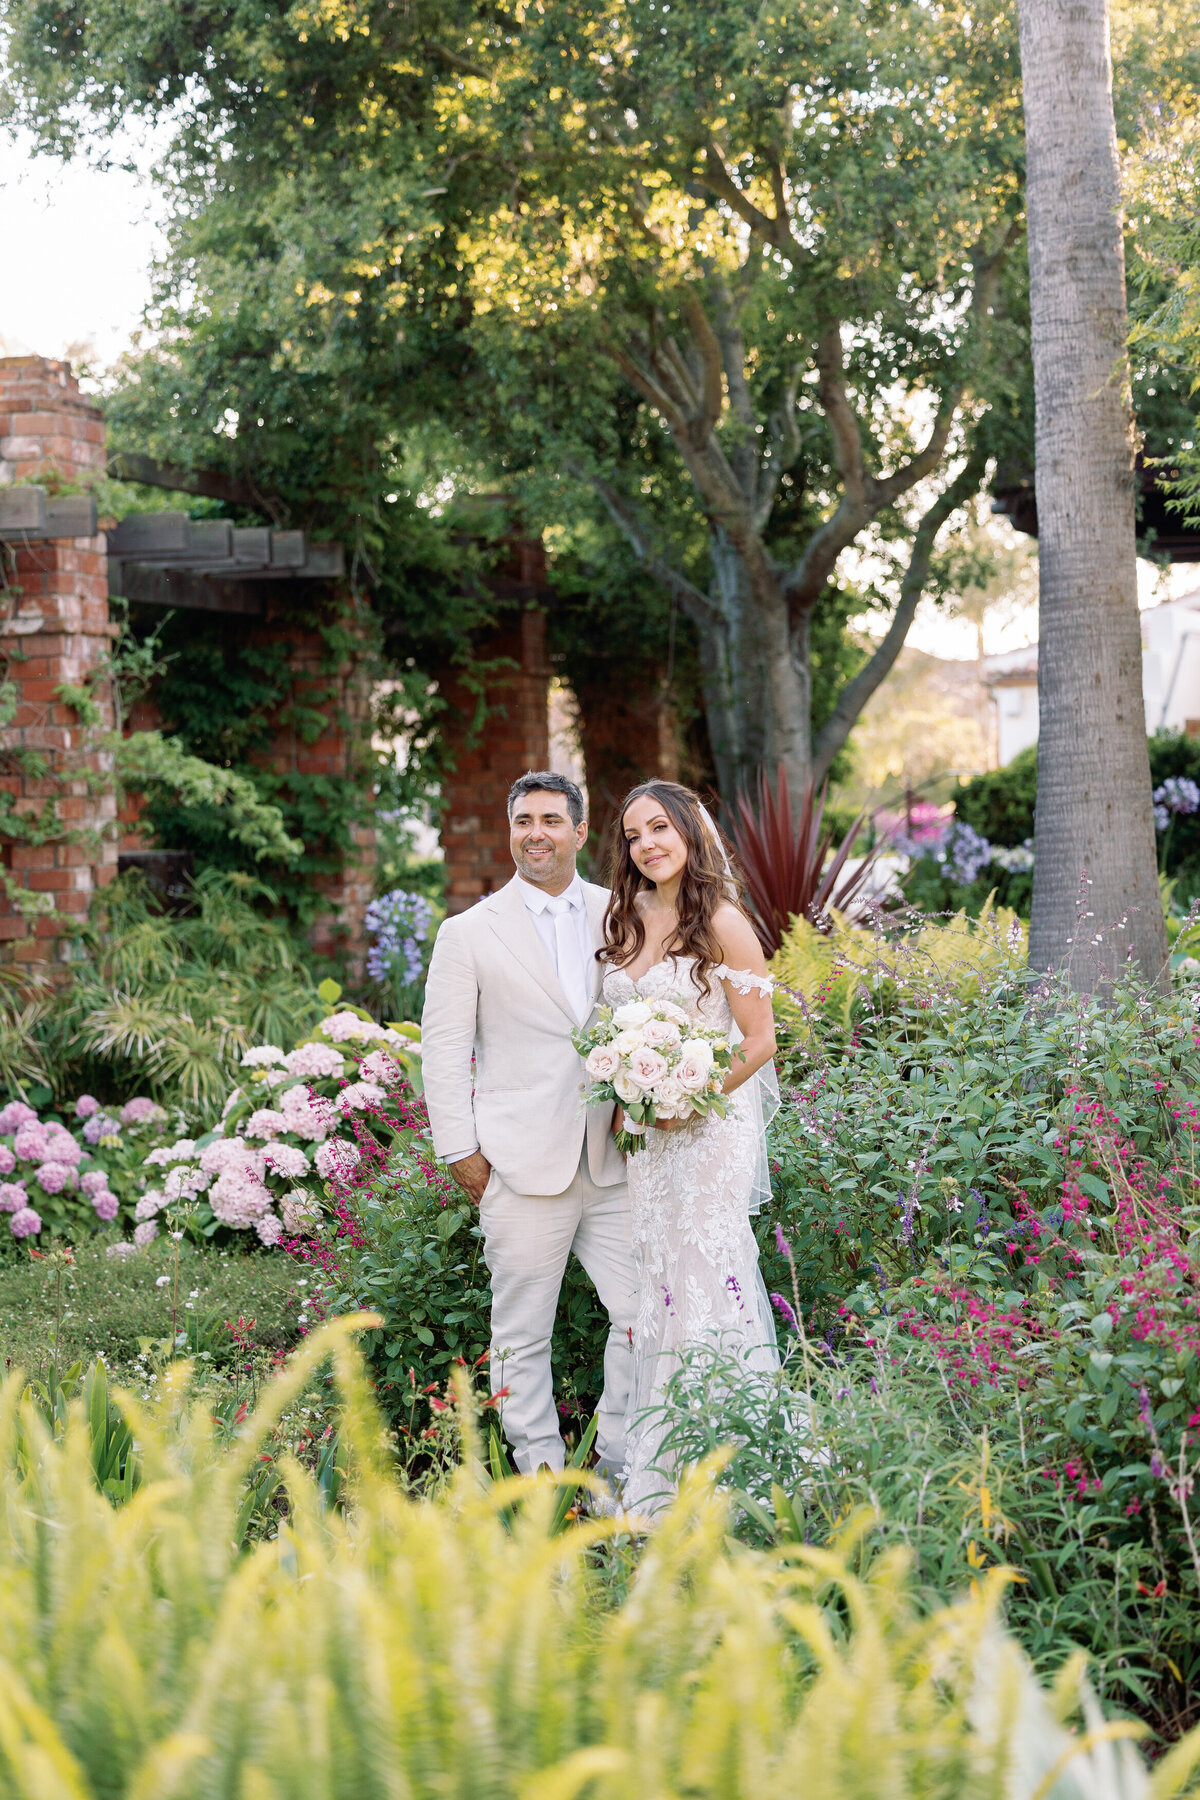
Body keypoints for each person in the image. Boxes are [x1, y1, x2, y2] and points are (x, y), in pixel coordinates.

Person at [421, 771, 638, 1483]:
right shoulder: (469, 933)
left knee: (646, 1317)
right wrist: (463, 1154)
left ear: (579, 832)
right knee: (521, 1336)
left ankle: (613, 1460)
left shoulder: (625, 915)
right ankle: (544, 1477)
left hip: (616, 1161)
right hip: (517, 1165)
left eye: (550, 820)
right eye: (522, 821)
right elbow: (444, 1049)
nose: (534, 833)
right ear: (510, 830)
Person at [600, 778, 780, 1515]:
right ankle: (666, 1459)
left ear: (689, 833)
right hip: (648, 1137)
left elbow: (762, 1040)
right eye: (634, 834)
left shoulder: (727, 923)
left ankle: (733, 1459)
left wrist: (689, 1099)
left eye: (659, 829)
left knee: (708, 1269)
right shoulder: (626, 918)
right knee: (660, 1279)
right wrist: (634, 1098)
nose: (647, 844)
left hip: (710, 1131)